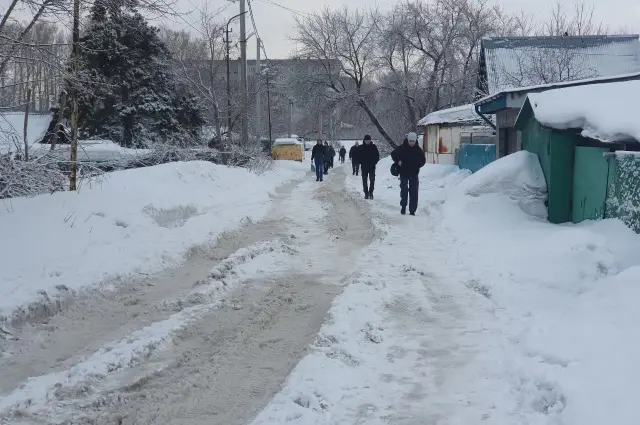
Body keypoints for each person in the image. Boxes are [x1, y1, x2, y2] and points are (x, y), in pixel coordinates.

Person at [391, 131, 426, 215]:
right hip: (403, 172)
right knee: (404, 190)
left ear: (415, 141)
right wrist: (398, 161)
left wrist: (417, 165)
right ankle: (403, 206)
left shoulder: (418, 150)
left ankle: (412, 210)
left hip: (414, 173)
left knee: (414, 191)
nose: (411, 143)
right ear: (407, 140)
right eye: (410, 141)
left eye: (413, 141)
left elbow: (423, 160)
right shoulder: (402, 148)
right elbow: (393, 154)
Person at [358, 135, 380, 199]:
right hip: (364, 167)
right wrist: (361, 161)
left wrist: (374, 162)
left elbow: (377, 155)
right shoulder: (361, 147)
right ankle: (366, 193)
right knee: (364, 180)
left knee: (372, 180)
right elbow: (358, 156)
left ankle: (371, 192)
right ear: (364, 140)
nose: (367, 141)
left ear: (370, 140)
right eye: (366, 140)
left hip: (372, 166)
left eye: (368, 140)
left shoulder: (373, 147)